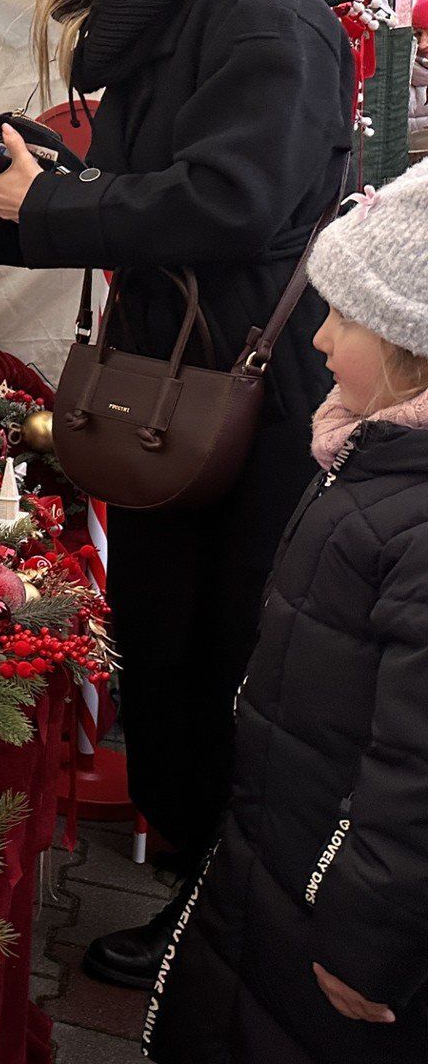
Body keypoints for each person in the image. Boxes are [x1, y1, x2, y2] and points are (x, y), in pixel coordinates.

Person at [0, 0, 352, 988]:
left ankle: (231, 933)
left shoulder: (264, 14)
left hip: (252, 418)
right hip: (182, 400)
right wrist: (20, 188)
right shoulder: (186, 16)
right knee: (170, 650)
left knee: (229, 667)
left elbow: (232, 202)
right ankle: (199, 903)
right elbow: (148, 188)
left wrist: (50, 201)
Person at [145, 161, 428, 1063]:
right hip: (284, 845)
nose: (316, 340)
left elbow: (415, 768)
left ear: (409, 342)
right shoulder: (369, 459)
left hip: (338, 907)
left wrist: (369, 938)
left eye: (341, 318)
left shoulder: (410, 516)